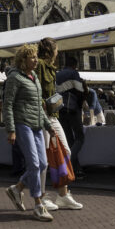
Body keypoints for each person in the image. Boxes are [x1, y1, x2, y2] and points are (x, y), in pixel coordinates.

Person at [3, 44, 56, 222]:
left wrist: (48, 126)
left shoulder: (34, 78)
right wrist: (10, 130)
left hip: (37, 126)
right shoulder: (14, 78)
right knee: (33, 164)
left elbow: (39, 108)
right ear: (23, 59)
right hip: (22, 124)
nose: (36, 60)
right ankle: (38, 205)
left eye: (36, 56)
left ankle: (17, 189)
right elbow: (8, 104)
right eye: (32, 57)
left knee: (43, 164)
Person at [35, 39, 83, 210]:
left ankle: (63, 195)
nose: (58, 52)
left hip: (53, 115)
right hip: (43, 116)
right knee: (44, 159)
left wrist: (56, 101)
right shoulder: (39, 65)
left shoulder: (53, 69)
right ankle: (41, 196)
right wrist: (45, 104)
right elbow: (35, 91)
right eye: (56, 49)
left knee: (66, 151)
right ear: (51, 50)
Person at [56, 55, 86, 179]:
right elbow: (79, 91)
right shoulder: (74, 73)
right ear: (74, 65)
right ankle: (66, 162)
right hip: (73, 109)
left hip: (60, 110)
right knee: (80, 137)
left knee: (69, 140)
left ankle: (76, 169)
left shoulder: (57, 75)